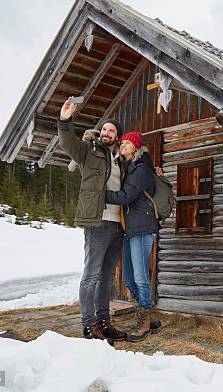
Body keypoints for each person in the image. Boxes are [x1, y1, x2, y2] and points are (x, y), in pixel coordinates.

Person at [57, 97, 128, 341]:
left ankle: (103, 321)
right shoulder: (89, 152)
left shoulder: (120, 161)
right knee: (92, 274)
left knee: (107, 276)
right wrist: (65, 120)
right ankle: (89, 325)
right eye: (105, 129)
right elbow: (68, 144)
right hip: (96, 222)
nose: (107, 132)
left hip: (117, 225)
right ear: (101, 133)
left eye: (112, 130)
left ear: (117, 137)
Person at [105, 131, 159, 339]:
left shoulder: (142, 169)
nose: (123, 145)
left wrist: (101, 194)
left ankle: (144, 319)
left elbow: (127, 196)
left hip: (143, 228)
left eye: (127, 143)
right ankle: (149, 313)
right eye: (123, 143)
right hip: (130, 228)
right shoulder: (128, 167)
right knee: (128, 278)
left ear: (136, 147)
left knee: (140, 276)